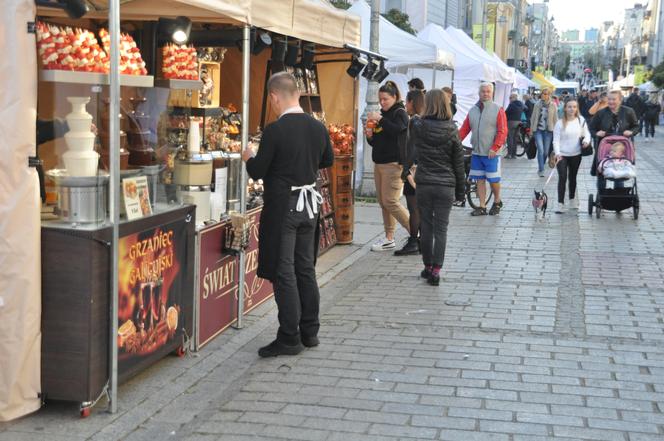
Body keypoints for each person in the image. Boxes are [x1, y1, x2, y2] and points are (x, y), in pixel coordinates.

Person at [243, 72, 334, 357]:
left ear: (274, 97)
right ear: (298, 93)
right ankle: (310, 331)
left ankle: (289, 337)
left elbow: (258, 171)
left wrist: (248, 157)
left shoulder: (274, 131)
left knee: (285, 273)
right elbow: (327, 160)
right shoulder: (317, 126)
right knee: (305, 268)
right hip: (309, 206)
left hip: (284, 206)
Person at [408, 89, 465, 286]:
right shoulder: (452, 130)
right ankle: (437, 270)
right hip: (446, 185)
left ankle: (427, 266)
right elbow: (458, 163)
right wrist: (461, 191)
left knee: (427, 226)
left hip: (424, 183)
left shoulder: (418, 126)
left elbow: (412, 148)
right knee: (441, 229)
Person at [365, 81, 411, 251]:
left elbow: (398, 130)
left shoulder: (399, 112)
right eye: (380, 99)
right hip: (379, 163)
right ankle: (389, 238)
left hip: (393, 164)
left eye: (385, 99)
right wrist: (370, 135)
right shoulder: (382, 115)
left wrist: (381, 119)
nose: (382, 102)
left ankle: (416, 233)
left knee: (391, 201)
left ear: (394, 97)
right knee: (383, 202)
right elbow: (378, 141)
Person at [458, 82, 507, 216]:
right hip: (477, 152)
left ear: (492, 93)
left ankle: (497, 201)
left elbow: (502, 131)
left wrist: (495, 147)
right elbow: (464, 129)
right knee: (479, 179)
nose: (485, 94)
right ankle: (482, 206)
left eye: (488, 91)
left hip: (492, 153)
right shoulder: (473, 110)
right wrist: (455, 141)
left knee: (493, 180)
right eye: (483, 91)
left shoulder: (498, 109)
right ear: (479, 93)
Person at [395, 89, 425, 256]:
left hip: (413, 170)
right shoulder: (424, 119)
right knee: (418, 208)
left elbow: (412, 149)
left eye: (407, 102)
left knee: (414, 209)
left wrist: (406, 170)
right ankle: (420, 241)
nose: (405, 105)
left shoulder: (415, 121)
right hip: (422, 169)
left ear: (412, 102)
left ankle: (414, 241)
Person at [552, 99, 592, 213]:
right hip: (562, 155)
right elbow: (556, 140)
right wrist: (557, 153)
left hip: (576, 153)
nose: (572, 109)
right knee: (562, 177)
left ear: (577, 108)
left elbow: (587, 134)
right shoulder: (559, 123)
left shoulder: (581, 120)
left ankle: (572, 199)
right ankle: (560, 203)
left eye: (574, 107)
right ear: (565, 108)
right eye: (569, 107)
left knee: (573, 177)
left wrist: (586, 141)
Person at [589, 89, 639, 176]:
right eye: (609, 99)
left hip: (622, 146)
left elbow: (636, 126)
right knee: (602, 171)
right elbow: (591, 127)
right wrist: (596, 133)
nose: (611, 101)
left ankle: (619, 189)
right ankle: (602, 189)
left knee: (620, 173)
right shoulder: (601, 113)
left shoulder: (628, 111)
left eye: (614, 99)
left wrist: (631, 132)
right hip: (604, 146)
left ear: (620, 100)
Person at [530, 87, 558, 177]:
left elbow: (555, 119)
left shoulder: (553, 105)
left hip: (548, 131)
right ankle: (541, 169)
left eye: (546, 94)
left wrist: (557, 131)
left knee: (546, 152)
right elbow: (533, 117)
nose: (543, 95)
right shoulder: (537, 104)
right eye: (542, 93)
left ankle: (542, 163)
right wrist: (531, 129)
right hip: (538, 130)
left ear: (549, 95)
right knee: (541, 150)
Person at [505, 93, 525, 159]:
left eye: (510, 98)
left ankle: (509, 154)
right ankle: (514, 155)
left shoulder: (512, 104)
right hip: (518, 122)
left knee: (510, 138)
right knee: (515, 139)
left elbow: (506, 112)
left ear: (514, 98)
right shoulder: (521, 104)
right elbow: (526, 108)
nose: (510, 99)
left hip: (511, 122)